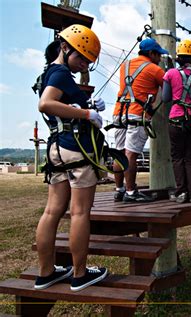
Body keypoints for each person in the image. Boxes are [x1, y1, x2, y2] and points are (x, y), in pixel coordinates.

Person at [34, 24, 108, 292]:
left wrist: (86, 105)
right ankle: (79, 275)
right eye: (81, 58)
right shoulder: (62, 72)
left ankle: (46, 273)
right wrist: (89, 115)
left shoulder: (50, 72)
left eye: (87, 61)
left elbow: (62, 106)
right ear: (64, 47)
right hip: (75, 148)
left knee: (53, 210)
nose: (83, 65)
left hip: (56, 149)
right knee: (79, 212)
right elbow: (46, 103)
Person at [112, 38, 168, 202]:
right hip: (137, 114)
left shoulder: (125, 66)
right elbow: (167, 93)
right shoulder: (155, 70)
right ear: (151, 53)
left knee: (119, 152)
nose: (160, 59)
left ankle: (119, 190)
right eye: (158, 55)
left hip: (119, 112)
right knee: (131, 155)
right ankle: (131, 193)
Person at [162, 39, 191, 204]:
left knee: (177, 158)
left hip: (176, 119)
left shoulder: (170, 74)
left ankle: (181, 193)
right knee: (190, 157)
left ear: (178, 58)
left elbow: (165, 98)